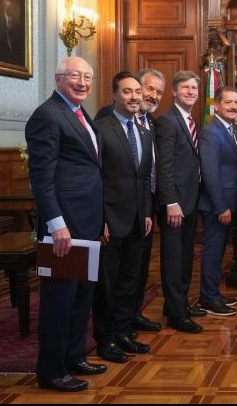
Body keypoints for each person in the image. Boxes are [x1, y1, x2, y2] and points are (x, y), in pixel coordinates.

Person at [26, 56, 106, 392]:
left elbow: (90, 169)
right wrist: (56, 224)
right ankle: (51, 371)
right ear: (59, 79)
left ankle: (74, 357)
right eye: (75, 76)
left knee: (81, 298)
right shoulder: (47, 115)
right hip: (64, 227)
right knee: (59, 301)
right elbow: (41, 178)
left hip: (87, 223)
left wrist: (100, 220)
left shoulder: (79, 113)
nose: (83, 82)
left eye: (87, 76)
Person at [93, 72, 153, 363]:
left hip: (137, 219)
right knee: (108, 284)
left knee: (130, 280)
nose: (134, 97)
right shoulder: (101, 129)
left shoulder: (143, 130)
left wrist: (147, 213)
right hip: (110, 220)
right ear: (115, 95)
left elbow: (143, 178)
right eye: (127, 92)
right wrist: (99, 217)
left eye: (137, 92)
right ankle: (105, 340)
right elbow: (96, 178)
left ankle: (123, 332)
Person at [155, 70, 205, 332]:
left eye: (194, 89)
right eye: (185, 88)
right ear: (174, 92)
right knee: (173, 259)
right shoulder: (168, 121)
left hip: (190, 200)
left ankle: (179, 303)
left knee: (185, 257)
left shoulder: (188, 119)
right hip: (175, 204)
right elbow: (165, 167)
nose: (190, 92)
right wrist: (171, 202)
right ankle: (176, 314)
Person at [197, 86, 237, 317]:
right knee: (213, 252)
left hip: (227, 202)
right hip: (217, 205)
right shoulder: (211, 132)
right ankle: (208, 298)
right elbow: (210, 172)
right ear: (216, 106)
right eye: (228, 103)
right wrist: (221, 206)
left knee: (220, 251)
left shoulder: (229, 129)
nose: (234, 106)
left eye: (236, 102)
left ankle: (213, 292)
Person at [130, 68, 166, 333]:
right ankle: (118, 326)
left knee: (140, 266)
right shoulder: (113, 118)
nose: (153, 96)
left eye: (158, 92)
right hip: (124, 208)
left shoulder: (150, 122)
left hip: (147, 204)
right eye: (149, 89)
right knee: (124, 270)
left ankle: (134, 314)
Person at [0, 0, 24, 66]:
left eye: (11, 1)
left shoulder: (18, 25)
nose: (10, 3)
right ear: (2, 2)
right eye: (7, 0)